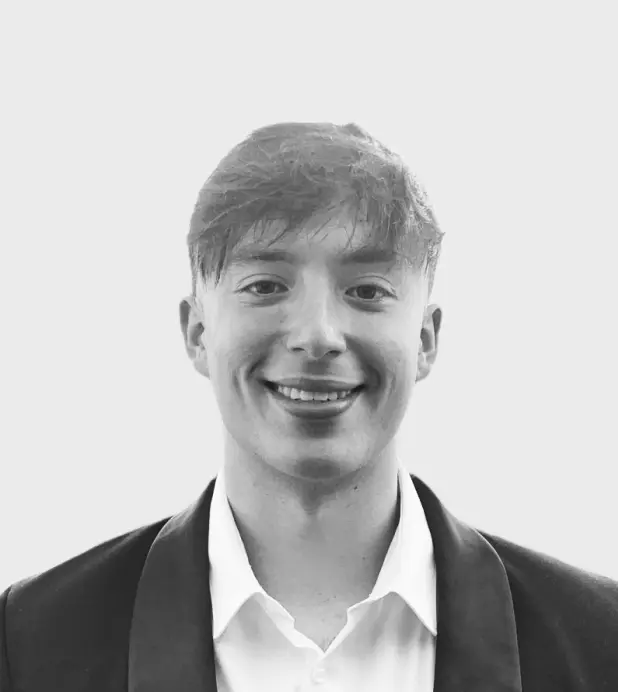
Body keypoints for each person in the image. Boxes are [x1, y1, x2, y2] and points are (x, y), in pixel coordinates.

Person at [1, 122, 617, 692]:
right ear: (197, 332)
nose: (318, 335)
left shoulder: (599, 641)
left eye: (367, 290)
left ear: (426, 339)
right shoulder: (33, 643)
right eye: (266, 286)